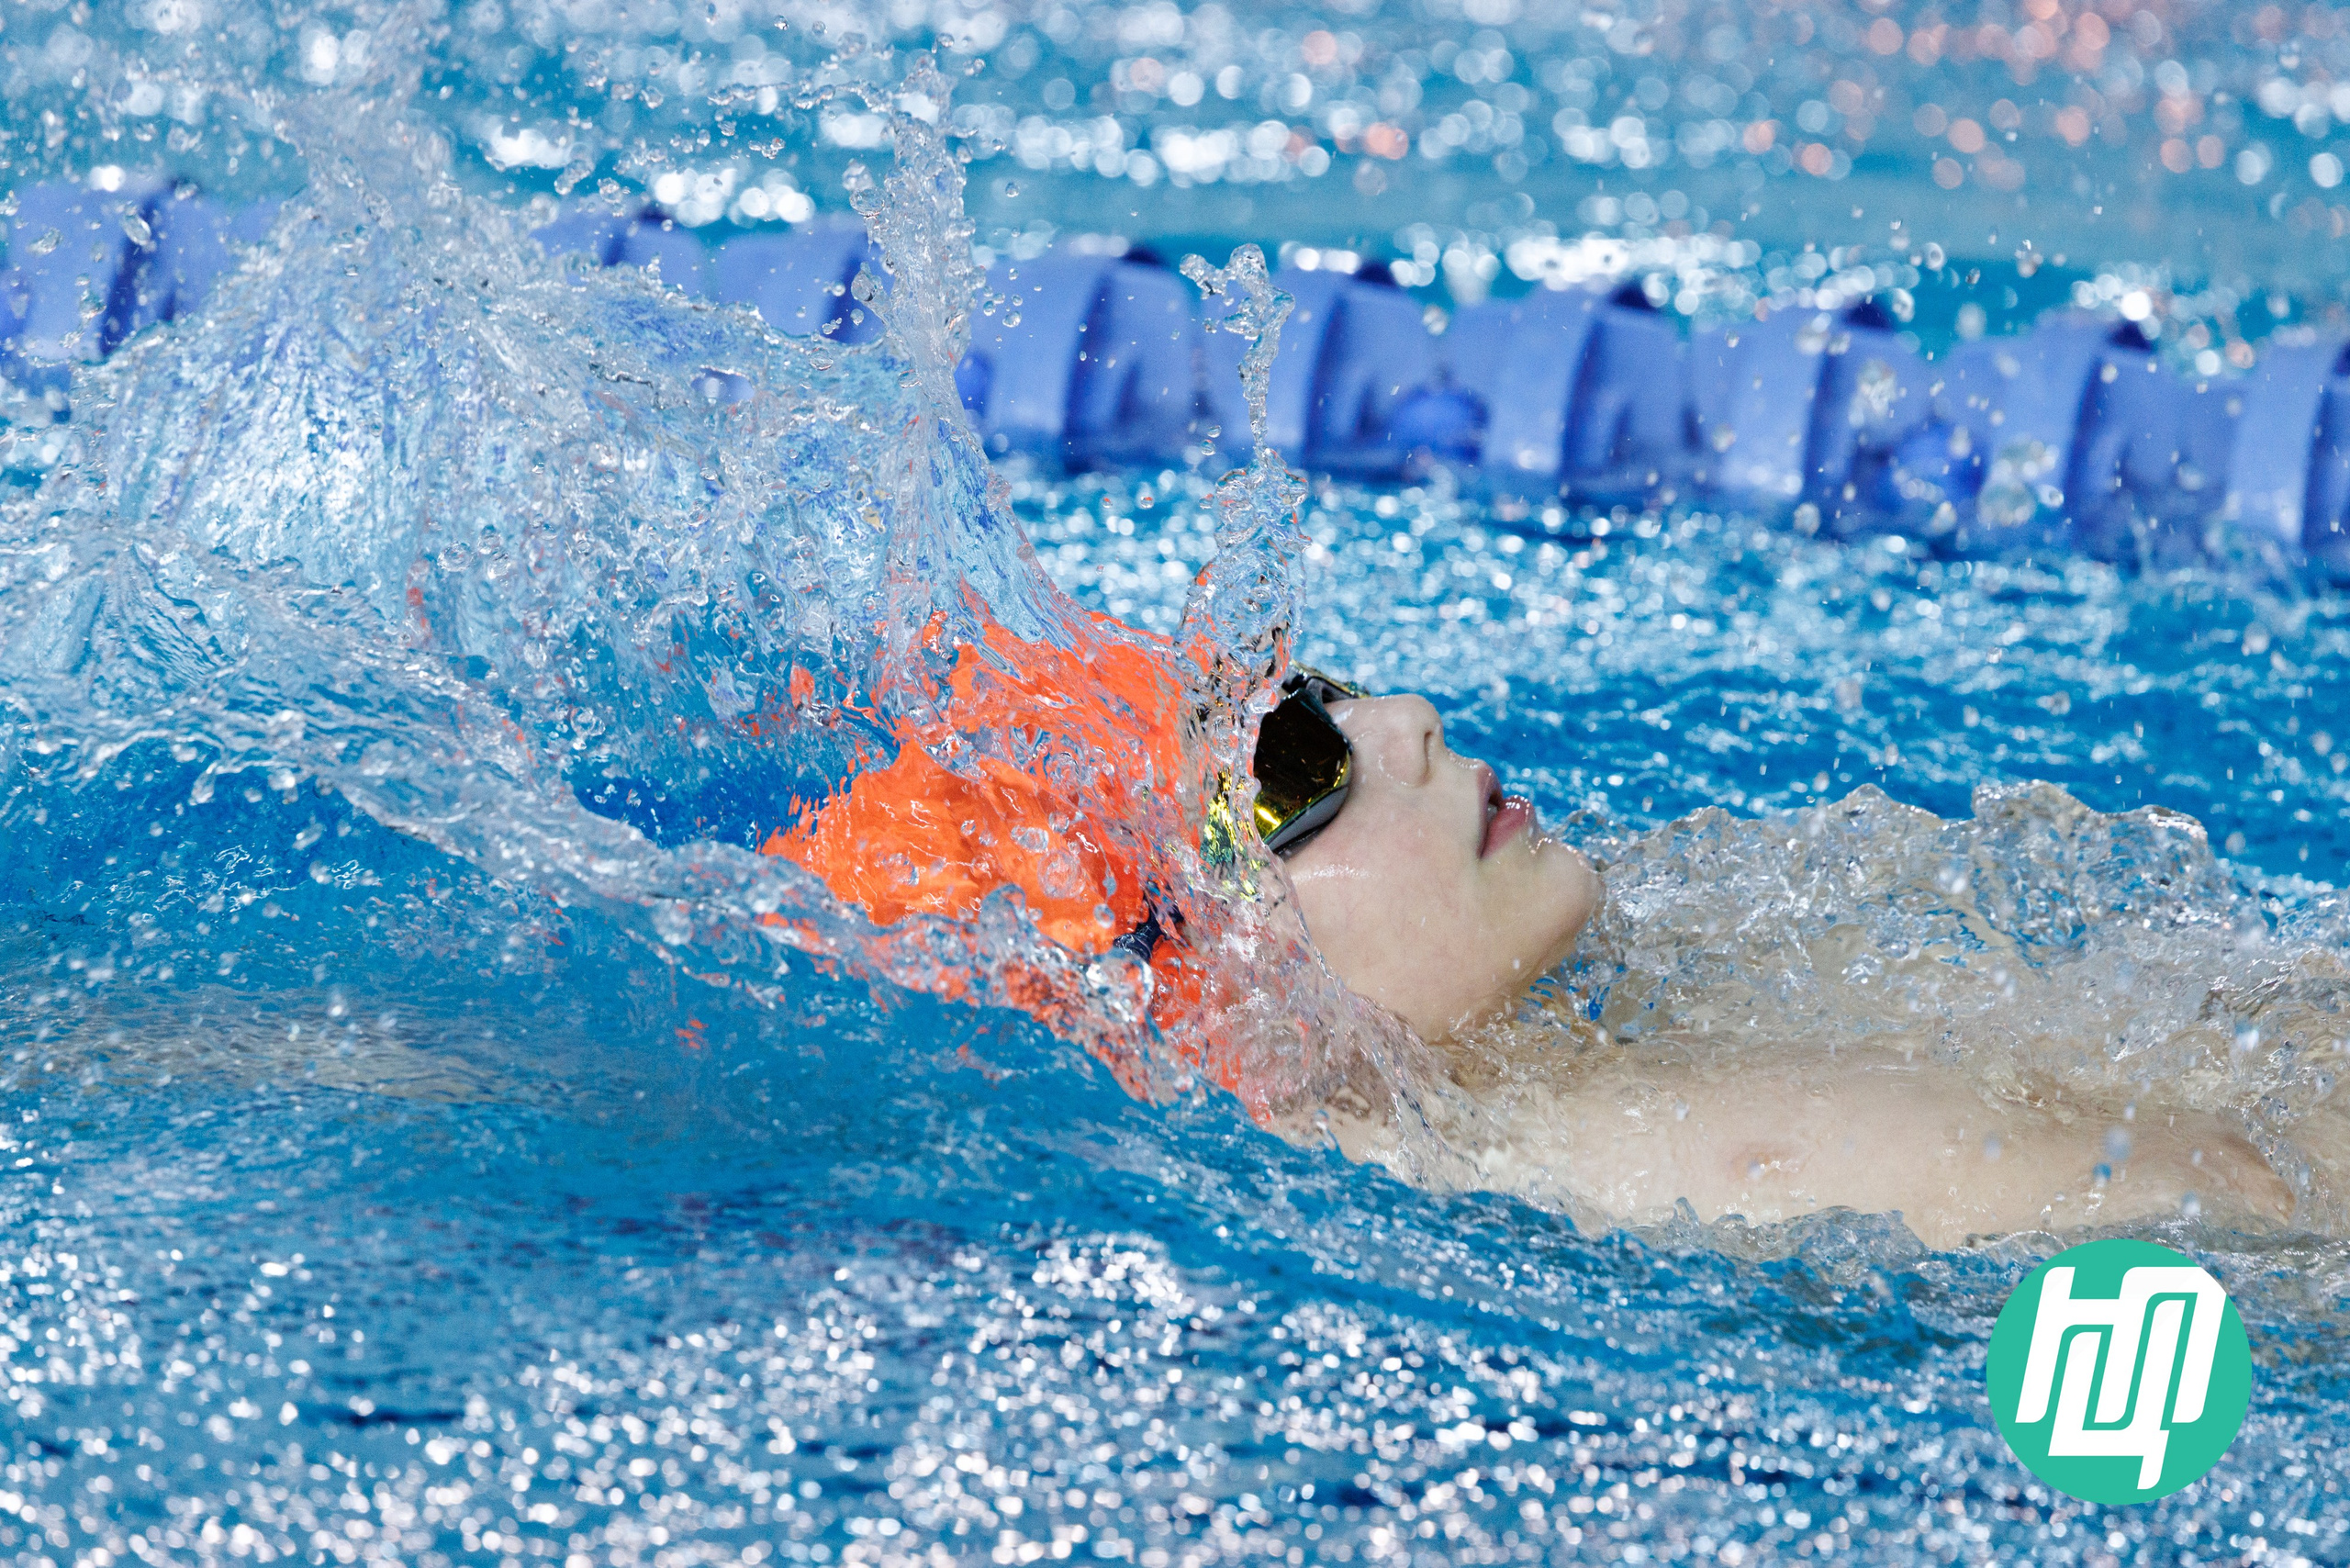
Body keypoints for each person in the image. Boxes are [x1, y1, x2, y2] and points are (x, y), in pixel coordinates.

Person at [764, 617, 2296, 1248]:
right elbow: (2242, 1194)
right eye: (1300, 764)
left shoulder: (1566, 1070)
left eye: (1337, 692)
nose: (1412, 722)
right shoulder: (1712, 1157)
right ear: (1212, 990)